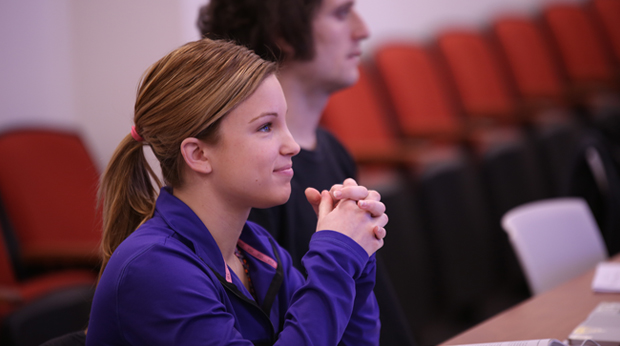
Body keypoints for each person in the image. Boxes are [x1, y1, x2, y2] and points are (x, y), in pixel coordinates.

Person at [85, 38, 388, 345]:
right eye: (266, 127)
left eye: (284, 121)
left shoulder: (255, 248)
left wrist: (355, 259)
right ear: (199, 155)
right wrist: (336, 256)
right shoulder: (153, 269)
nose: (293, 145)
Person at [197, 1, 419, 345]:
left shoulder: (332, 148)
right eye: (341, 13)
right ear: (283, 33)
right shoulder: (251, 180)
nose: (363, 31)